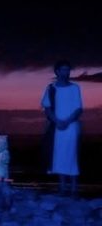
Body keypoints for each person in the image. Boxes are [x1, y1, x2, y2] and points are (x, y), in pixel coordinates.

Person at [41, 59, 82, 196]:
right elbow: (47, 108)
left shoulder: (75, 88)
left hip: (71, 126)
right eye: (63, 69)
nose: (66, 72)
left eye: (68, 69)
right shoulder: (51, 88)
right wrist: (57, 121)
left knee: (72, 155)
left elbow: (78, 108)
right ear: (57, 71)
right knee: (59, 156)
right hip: (57, 126)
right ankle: (62, 188)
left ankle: (74, 189)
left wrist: (67, 121)